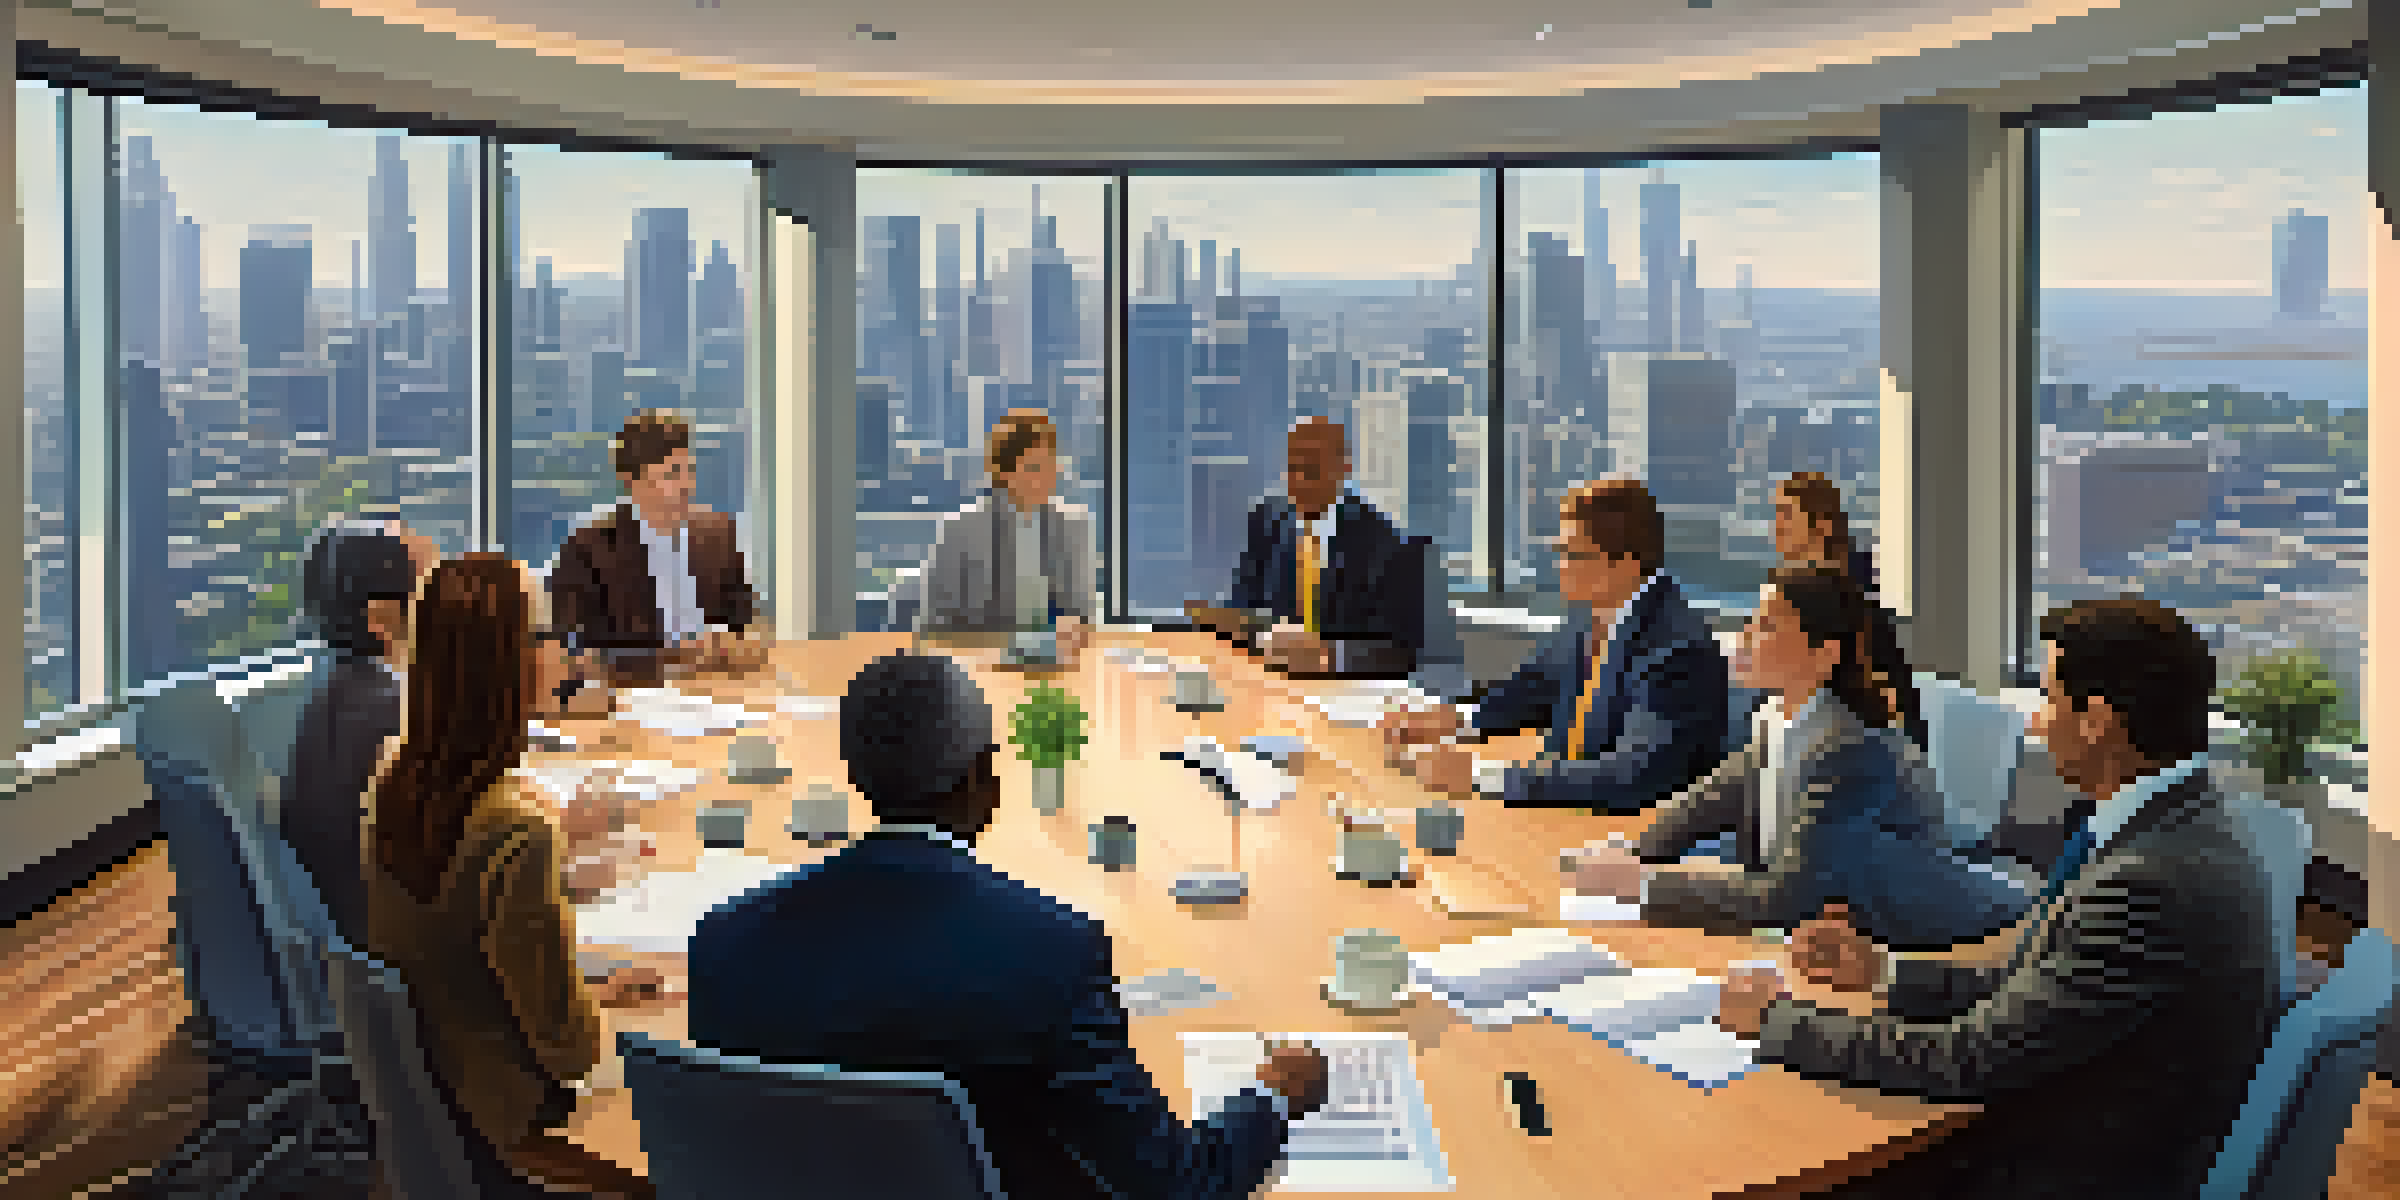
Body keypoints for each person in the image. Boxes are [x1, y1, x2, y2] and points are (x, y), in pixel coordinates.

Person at [687, 653, 1328, 1200]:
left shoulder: (722, 946)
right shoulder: (1052, 955)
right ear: (983, 779)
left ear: (857, 777)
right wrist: (1274, 1095)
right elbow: (1176, 1186)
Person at [1715, 596, 2280, 1199]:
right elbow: (2041, 983)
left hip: (2059, 1171)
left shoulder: (2149, 883)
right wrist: (1883, 972)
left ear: (2097, 720)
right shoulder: (2183, 824)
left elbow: (1966, 1060)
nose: (2036, 722)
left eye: (2049, 698)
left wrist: (1778, 1023)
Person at [363, 554, 662, 1199]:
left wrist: (591, 990)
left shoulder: (395, 783)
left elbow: (470, 966)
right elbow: (569, 1050)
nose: (563, 652)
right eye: (546, 634)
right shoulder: (515, 830)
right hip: (517, 1129)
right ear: (507, 664)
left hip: (446, 1097)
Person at [1566, 566, 2024, 948]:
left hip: (1947, 942)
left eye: (1766, 627)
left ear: (1823, 655)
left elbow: (1786, 898)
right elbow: (1706, 803)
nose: (1745, 636)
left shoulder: (1847, 748)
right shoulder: (1777, 721)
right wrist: (1628, 853)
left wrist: (1641, 884)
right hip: (1842, 938)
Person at [1381, 479, 1728, 811]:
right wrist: (1458, 722)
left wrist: (1480, 776)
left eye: (1573, 555)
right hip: (1566, 807)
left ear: (1626, 565)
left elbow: (1632, 774)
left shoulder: (1678, 649)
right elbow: (1533, 687)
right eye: (1560, 552)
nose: (1560, 567)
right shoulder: (1589, 614)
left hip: (1629, 827)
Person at [281, 519, 437, 948]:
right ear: (382, 618)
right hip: (397, 950)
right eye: (433, 592)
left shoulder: (332, 697)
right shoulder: (400, 718)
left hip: (345, 943)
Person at [1202, 416, 1428, 677]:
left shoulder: (1389, 546)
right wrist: (1236, 627)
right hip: (1267, 679)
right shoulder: (1267, 522)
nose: (1298, 482)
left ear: (1343, 469)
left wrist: (1324, 655)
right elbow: (1240, 607)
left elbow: (1399, 654)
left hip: (1341, 689)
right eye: (1292, 469)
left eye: (1311, 470)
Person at [549, 408, 759, 673]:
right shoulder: (588, 550)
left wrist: (737, 645)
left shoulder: (717, 535)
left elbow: (745, 625)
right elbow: (576, 650)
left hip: (720, 684)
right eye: (672, 474)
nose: (687, 484)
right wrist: (678, 656)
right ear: (631, 481)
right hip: (634, 688)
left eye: (689, 471)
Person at [917, 409, 1097, 663]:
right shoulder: (961, 528)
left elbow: (1083, 616)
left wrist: (1073, 629)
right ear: (1004, 473)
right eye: (1035, 468)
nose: (1048, 478)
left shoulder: (1072, 525)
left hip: (1054, 663)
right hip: (979, 664)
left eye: (1052, 466)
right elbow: (934, 625)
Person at [1775, 472, 1922, 750]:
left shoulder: (1826, 593)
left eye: (1786, 515)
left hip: (1864, 739)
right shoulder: (1841, 579)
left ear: (1821, 525)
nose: (1777, 527)